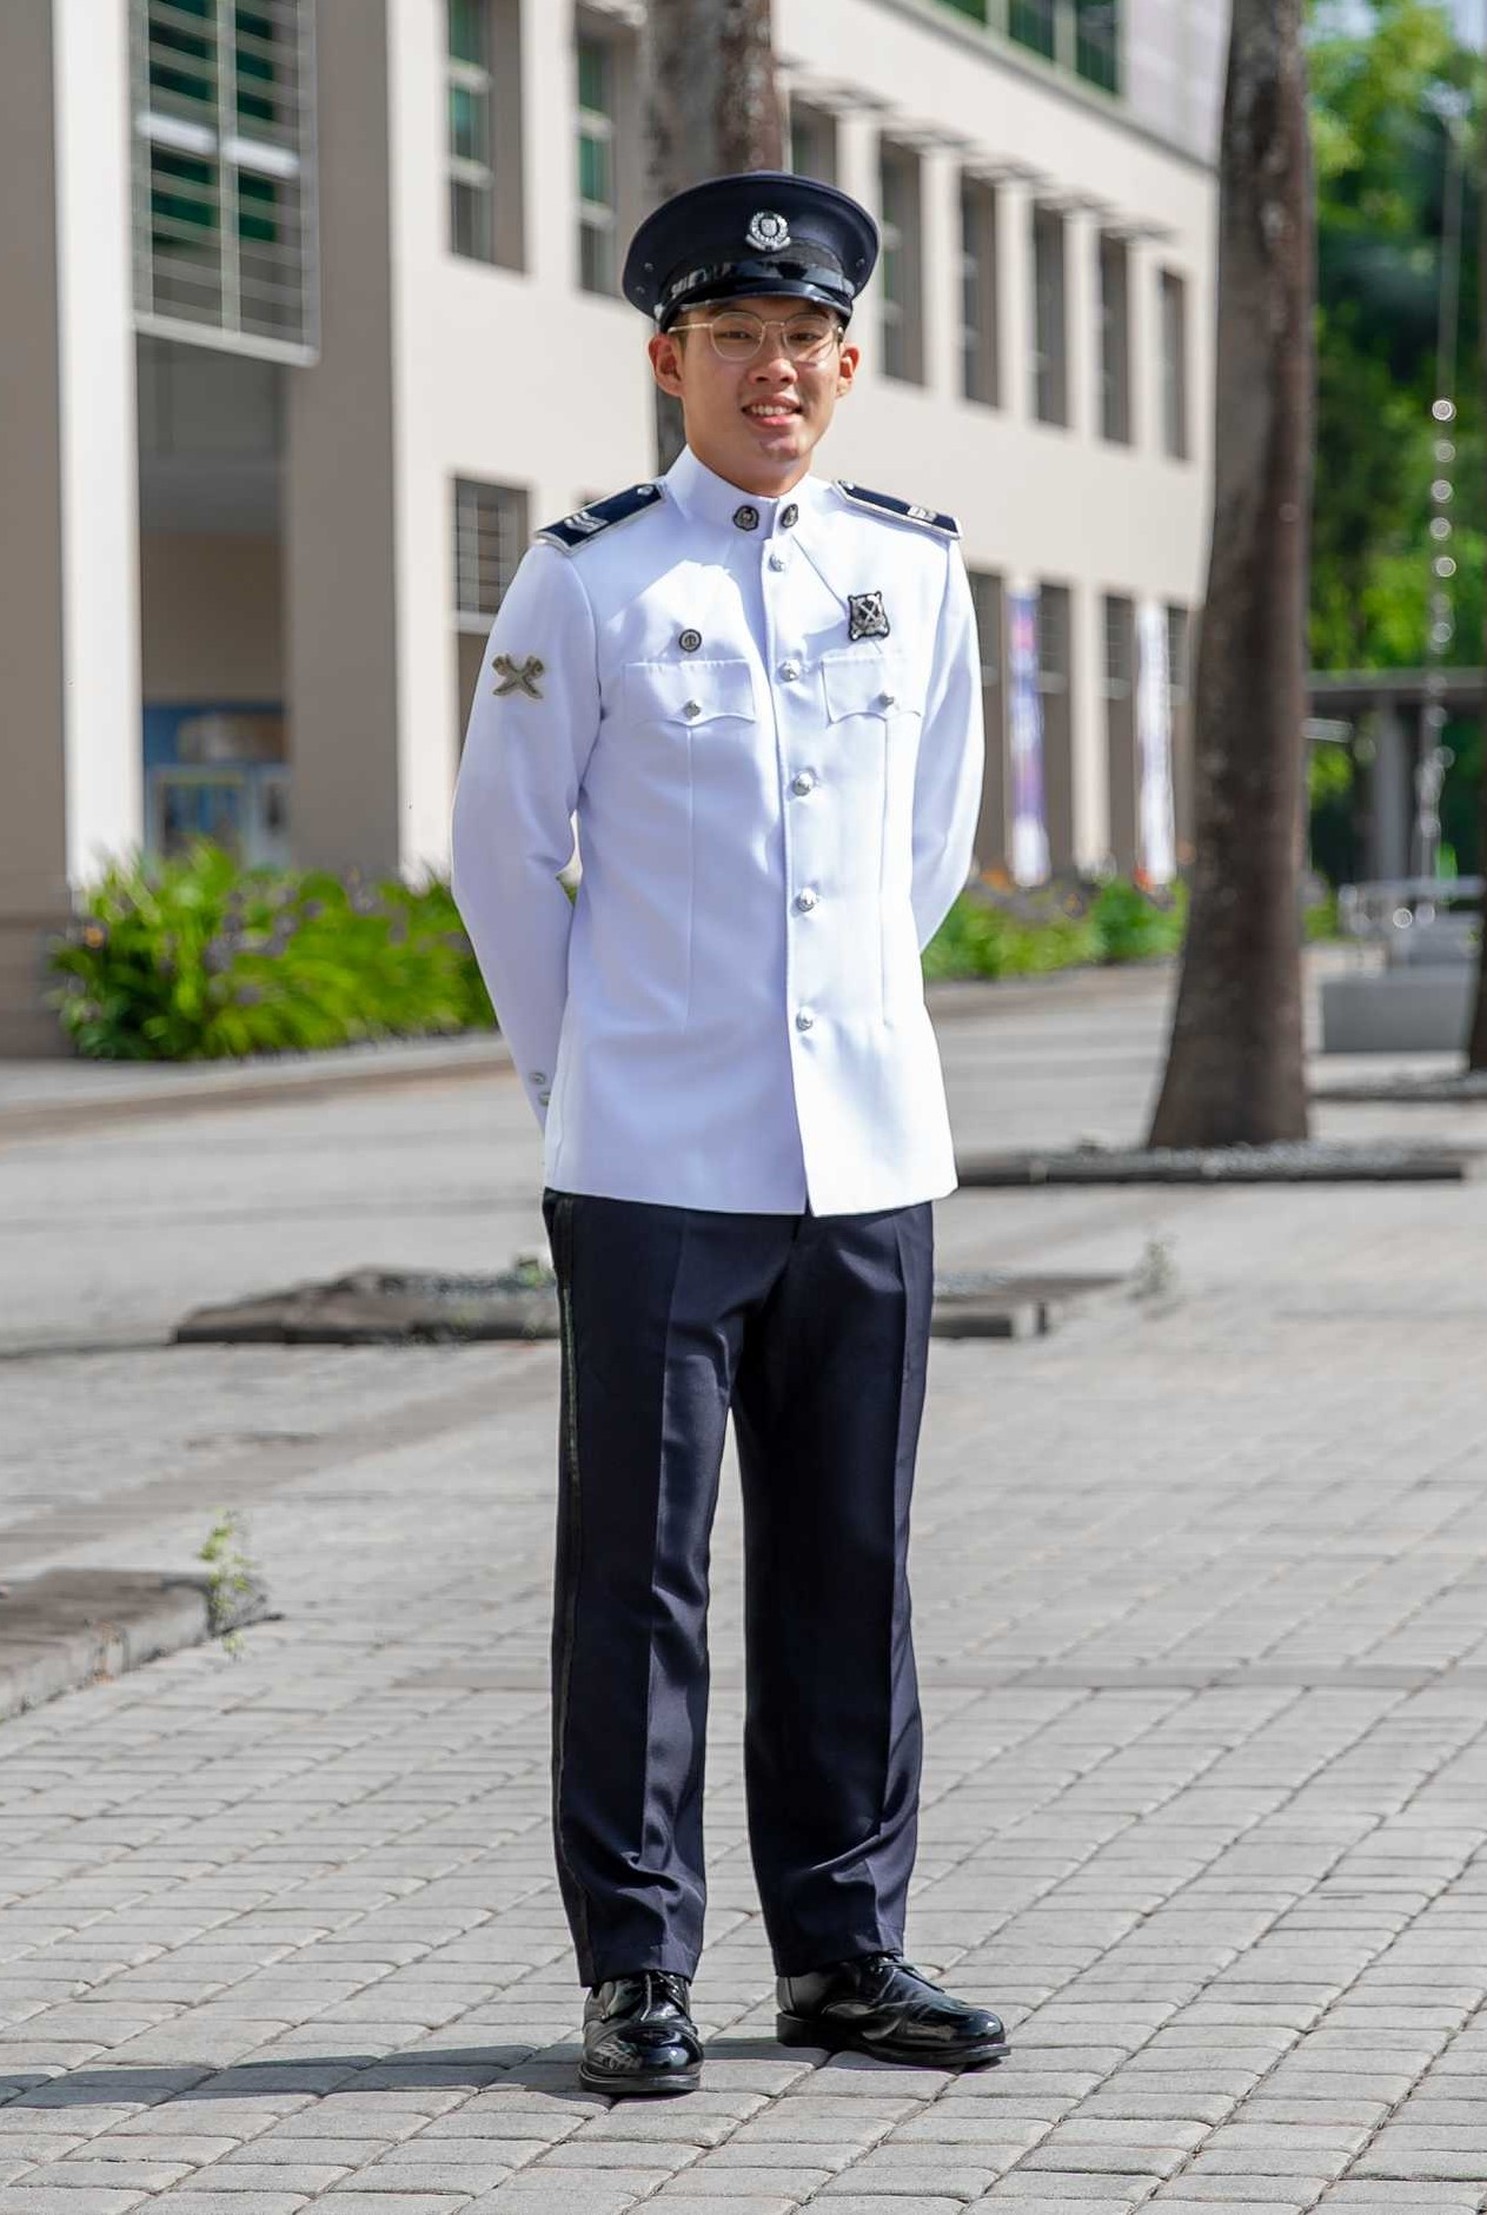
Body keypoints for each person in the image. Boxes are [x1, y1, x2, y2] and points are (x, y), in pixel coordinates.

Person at [452, 170, 1005, 2097]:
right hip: (651, 1163)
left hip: (865, 1155)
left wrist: (838, 1022)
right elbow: (505, 860)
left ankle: (848, 1955)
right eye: (739, 340)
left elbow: (925, 849)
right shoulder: (592, 577)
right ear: (670, 358)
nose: (778, 371)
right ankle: (637, 1966)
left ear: (848, 365)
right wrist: (581, 1079)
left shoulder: (915, 574)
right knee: (643, 1573)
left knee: (853, 1561)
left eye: (809, 342)